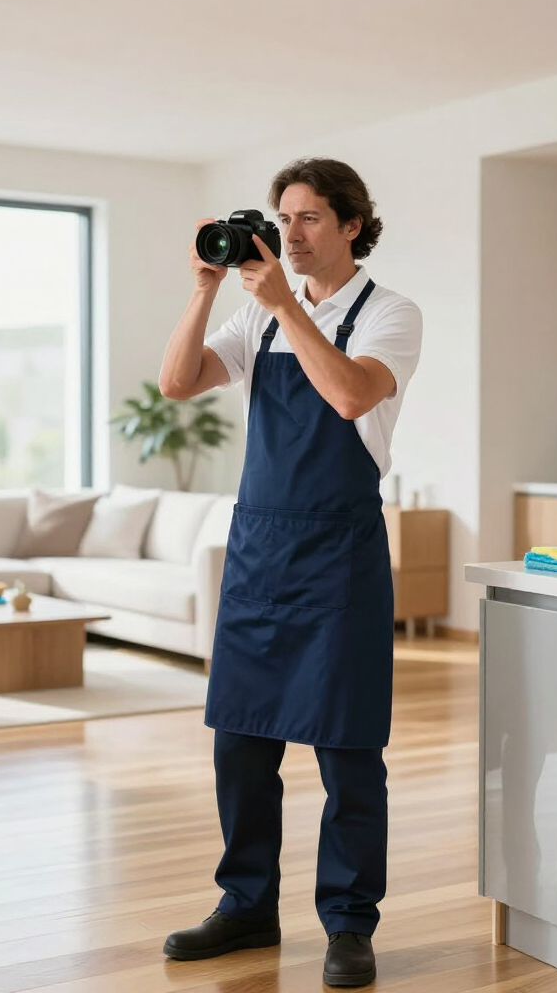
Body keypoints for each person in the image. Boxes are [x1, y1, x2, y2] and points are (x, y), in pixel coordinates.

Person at [158, 157, 422, 988]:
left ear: (351, 226)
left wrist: (281, 305)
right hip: (260, 553)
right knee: (239, 744)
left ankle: (348, 923)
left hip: (340, 555)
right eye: (284, 217)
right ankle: (246, 905)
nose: (292, 234)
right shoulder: (257, 318)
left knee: (347, 751)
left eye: (311, 218)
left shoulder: (391, 314)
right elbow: (176, 382)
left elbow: (349, 397)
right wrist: (207, 288)